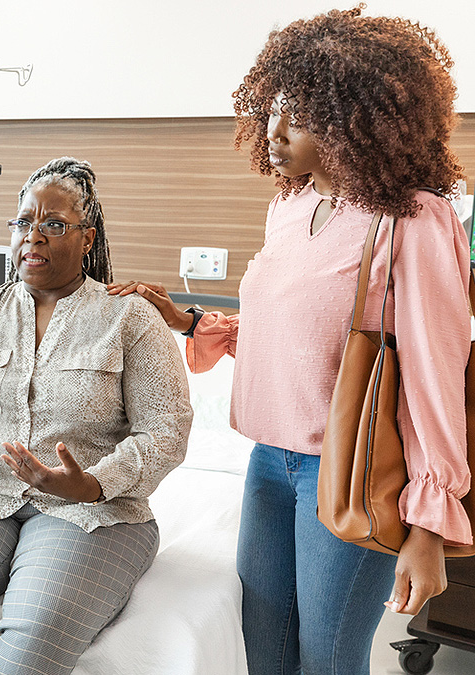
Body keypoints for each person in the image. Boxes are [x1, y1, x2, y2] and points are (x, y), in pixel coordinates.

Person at [108, 8, 473, 674]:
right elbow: (298, 338)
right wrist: (189, 322)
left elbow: (434, 376)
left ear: (354, 121)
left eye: (297, 117)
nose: (273, 133)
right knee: (264, 655)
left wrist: (428, 525)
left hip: (354, 468)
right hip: (269, 464)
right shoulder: (291, 207)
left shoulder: (414, 220)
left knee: (327, 660)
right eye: (270, 112)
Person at [0, 157, 193, 674]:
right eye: (24, 222)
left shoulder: (129, 318)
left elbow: (165, 431)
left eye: (54, 224)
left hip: (94, 512)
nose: (34, 235)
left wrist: (93, 483)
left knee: (36, 623)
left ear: (88, 239)